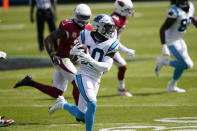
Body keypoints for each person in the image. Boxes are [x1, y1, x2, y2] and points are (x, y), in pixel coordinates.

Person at [48, 14, 119, 131]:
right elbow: (72, 56)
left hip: (96, 78)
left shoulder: (112, 43)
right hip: (83, 74)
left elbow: (106, 67)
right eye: (107, 27)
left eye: (111, 27)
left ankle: (62, 104)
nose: (110, 30)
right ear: (99, 27)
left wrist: (89, 59)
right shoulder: (84, 35)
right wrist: (73, 52)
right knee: (92, 103)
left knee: (81, 114)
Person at [14, 4, 93, 105]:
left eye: (86, 17)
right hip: (62, 59)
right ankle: (79, 111)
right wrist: (52, 55)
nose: (83, 20)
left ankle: (29, 82)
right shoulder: (68, 26)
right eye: (82, 17)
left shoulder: (89, 28)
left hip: (70, 60)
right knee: (77, 82)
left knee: (57, 93)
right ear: (76, 15)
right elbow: (48, 39)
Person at [155, 0, 197, 93]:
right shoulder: (174, 11)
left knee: (186, 64)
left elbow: (193, 18)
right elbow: (162, 29)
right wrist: (164, 46)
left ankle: (171, 86)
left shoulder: (190, 6)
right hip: (171, 42)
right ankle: (163, 62)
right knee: (185, 64)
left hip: (180, 40)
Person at [111, 0, 135, 97]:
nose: (129, 11)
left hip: (112, 46)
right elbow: (111, 40)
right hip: (106, 47)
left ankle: (121, 90)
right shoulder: (114, 20)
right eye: (127, 9)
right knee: (98, 70)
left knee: (122, 66)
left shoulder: (122, 17)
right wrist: (126, 50)